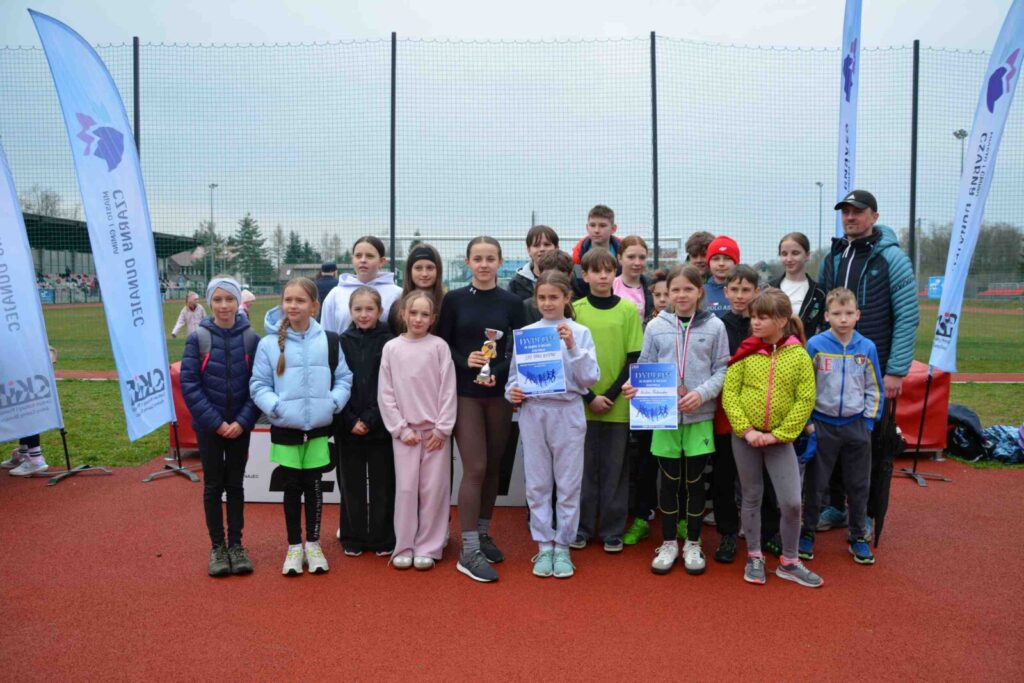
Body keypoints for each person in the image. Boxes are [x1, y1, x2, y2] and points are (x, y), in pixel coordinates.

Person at [818, 190, 919, 531]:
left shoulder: (892, 258)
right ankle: (835, 506)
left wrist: (896, 371)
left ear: (874, 216)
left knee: (871, 443)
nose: (850, 217)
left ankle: (868, 513)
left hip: (875, 369)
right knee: (831, 437)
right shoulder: (833, 256)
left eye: (858, 211)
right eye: (845, 212)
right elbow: (822, 310)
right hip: (834, 368)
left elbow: (907, 316)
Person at [624, 265, 729, 574]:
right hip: (663, 417)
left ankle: (693, 543)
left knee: (694, 483)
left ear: (700, 292)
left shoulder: (716, 327)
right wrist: (634, 386)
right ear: (667, 293)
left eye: (688, 289)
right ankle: (669, 542)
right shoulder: (656, 326)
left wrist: (702, 394)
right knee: (669, 483)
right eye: (675, 290)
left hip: (699, 416)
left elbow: (722, 369)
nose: (681, 295)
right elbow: (645, 365)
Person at [250, 277, 353, 576]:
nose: (293, 305)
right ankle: (294, 546)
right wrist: (276, 407)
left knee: (315, 487)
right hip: (286, 428)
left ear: (314, 306)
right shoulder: (268, 344)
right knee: (292, 488)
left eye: (300, 300)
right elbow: (258, 385)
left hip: (319, 428)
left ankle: (313, 544)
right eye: (288, 300)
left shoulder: (330, 341)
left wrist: (332, 403)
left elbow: (344, 378)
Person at [438, 236, 525, 583]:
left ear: (500, 262)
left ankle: (483, 533)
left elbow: (518, 350)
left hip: (499, 394)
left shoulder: (512, 302)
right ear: (468, 262)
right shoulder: (454, 300)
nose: (484, 264)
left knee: (492, 468)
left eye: (490, 258)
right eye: (478, 258)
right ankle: (469, 549)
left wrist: (497, 372)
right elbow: (442, 344)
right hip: (465, 394)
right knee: (474, 467)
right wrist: (466, 361)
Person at [722, 289, 821, 588]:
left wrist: (779, 435)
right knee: (751, 496)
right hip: (746, 439)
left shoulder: (799, 355)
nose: (755, 322)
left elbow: (805, 399)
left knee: (791, 502)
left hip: (780, 441)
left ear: (781, 320)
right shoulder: (746, 351)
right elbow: (731, 394)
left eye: (762, 317)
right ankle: (754, 556)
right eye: (753, 316)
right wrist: (747, 430)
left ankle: (789, 561)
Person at [506, 271, 600, 579]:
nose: (548, 303)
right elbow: (513, 379)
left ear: (567, 298)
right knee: (537, 484)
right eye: (542, 297)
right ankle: (544, 544)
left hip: (568, 411)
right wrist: (513, 392)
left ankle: (564, 546)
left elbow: (590, 378)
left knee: (569, 483)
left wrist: (572, 346)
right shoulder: (527, 333)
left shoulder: (580, 332)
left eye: (554, 297)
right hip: (534, 412)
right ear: (536, 300)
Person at [180, 276, 261, 577]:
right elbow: (190, 383)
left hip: (240, 427)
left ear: (238, 302)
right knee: (213, 486)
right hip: (209, 428)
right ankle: (217, 547)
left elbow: (258, 384)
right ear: (210, 302)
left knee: (236, 485)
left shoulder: (251, 338)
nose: (224, 305)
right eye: (217, 299)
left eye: (229, 299)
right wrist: (215, 422)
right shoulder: (197, 338)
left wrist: (242, 421)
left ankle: (236, 545)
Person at [801, 288, 883, 565]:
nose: (843, 319)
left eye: (849, 313)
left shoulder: (867, 347)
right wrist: (808, 422)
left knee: (859, 485)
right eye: (837, 313)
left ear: (858, 315)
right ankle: (807, 532)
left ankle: (858, 536)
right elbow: (805, 387)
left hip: (855, 426)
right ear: (826, 316)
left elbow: (874, 387)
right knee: (815, 485)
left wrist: (868, 422)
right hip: (821, 426)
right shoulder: (815, 345)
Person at [570, 248, 643, 553]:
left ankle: (613, 529)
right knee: (583, 470)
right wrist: (590, 396)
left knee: (615, 470)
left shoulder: (627, 310)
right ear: (584, 275)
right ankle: (582, 527)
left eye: (608, 270)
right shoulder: (574, 310)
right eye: (595, 271)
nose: (602, 276)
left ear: (615, 274)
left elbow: (633, 357)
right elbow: (569, 359)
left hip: (617, 405)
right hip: (580, 404)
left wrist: (609, 396)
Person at [379, 291, 457, 571]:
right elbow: (386, 393)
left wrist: (442, 429)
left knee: (433, 490)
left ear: (433, 318)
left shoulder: (439, 347)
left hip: (435, 435)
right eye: (413, 313)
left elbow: (448, 390)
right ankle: (404, 545)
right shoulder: (391, 348)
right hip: (406, 435)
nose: (418, 319)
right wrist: (400, 429)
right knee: (406, 489)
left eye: (425, 314)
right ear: (403, 314)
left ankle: (429, 546)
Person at [337, 287, 396, 558]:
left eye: (369, 309)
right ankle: (353, 536)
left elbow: (389, 384)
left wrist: (371, 417)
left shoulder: (390, 342)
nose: (363, 314)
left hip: (381, 424)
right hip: (348, 425)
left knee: (384, 483)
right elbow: (337, 381)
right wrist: (350, 419)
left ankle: (383, 537)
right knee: (352, 483)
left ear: (380, 311)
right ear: (350, 312)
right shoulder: (341, 341)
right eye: (358, 309)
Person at [709, 265, 760, 564]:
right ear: (725, 292)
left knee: (758, 476)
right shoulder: (716, 325)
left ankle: (765, 532)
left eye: (746, 290)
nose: (740, 296)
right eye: (735, 290)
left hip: (759, 410)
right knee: (724, 475)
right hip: (725, 412)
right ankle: (727, 532)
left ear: (756, 292)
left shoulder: (762, 324)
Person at [623, 267, 669, 546]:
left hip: (677, 406)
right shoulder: (644, 326)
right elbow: (636, 362)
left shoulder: (688, 325)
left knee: (677, 466)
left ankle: (682, 520)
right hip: (647, 408)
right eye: (658, 294)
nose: (663, 299)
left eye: (668, 293)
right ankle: (643, 515)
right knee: (645, 463)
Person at [321, 237, 403, 336]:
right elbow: (326, 334)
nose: (363, 260)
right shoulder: (335, 294)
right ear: (352, 259)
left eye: (369, 256)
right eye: (358, 256)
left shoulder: (397, 294)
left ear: (382, 261)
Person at [4, 346, 59, 477]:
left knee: (27, 414)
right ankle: (24, 453)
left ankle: (35, 459)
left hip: (25, 377)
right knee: (21, 415)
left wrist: (47, 352)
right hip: (18, 374)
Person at [771, 232, 826, 338]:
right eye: (784, 254)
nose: (789, 259)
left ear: (807, 255)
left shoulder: (820, 293)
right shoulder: (768, 289)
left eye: (795, 253)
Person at [388, 243, 445, 333]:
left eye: (430, 268)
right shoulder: (397, 308)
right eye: (418, 268)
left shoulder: (448, 305)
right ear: (410, 271)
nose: (424, 274)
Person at [571, 205, 622, 298]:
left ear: (613, 228)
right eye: (592, 225)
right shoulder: (577, 257)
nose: (596, 230)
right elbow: (577, 286)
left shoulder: (624, 254)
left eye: (602, 225)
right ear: (587, 227)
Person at [523, 250, 574, 325]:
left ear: (570, 276)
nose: (552, 279)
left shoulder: (580, 305)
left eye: (559, 275)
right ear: (540, 275)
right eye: (547, 274)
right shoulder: (527, 307)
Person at [509, 225, 559, 301]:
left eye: (547, 244)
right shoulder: (516, 283)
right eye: (536, 245)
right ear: (529, 250)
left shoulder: (570, 279)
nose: (542, 249)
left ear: (557, 248)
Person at [612, 235, 654, 321]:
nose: (637, 263)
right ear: (619, 258)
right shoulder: (610, 285)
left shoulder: (652, 287)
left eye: (642, 257)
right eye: (631, 257)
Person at [704, 235, 740, 317]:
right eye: (716, 259)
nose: (721, 263)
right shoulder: (700, 292)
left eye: (727, 258)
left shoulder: (747, 291)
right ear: (709, 263)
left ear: (736, 262)